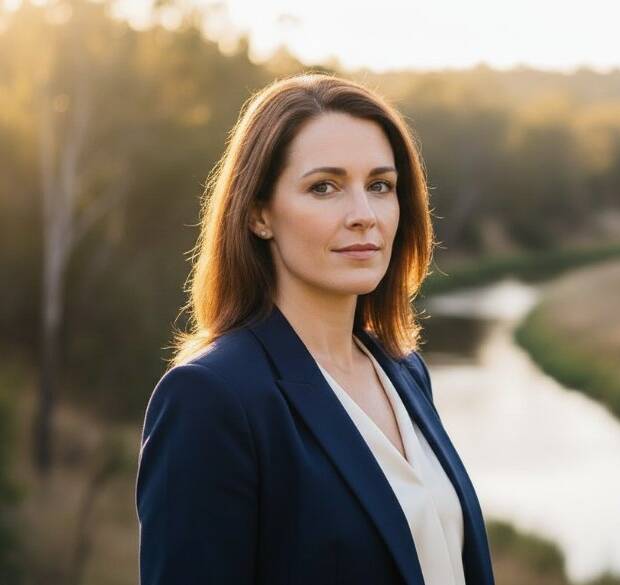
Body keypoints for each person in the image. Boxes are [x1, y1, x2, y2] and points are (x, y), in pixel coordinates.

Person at [135, 73, 495, 585]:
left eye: (380, 186)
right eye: (323, 187)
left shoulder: (403, 371)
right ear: (260, 213)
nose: (364, 216)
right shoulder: (211, 398)